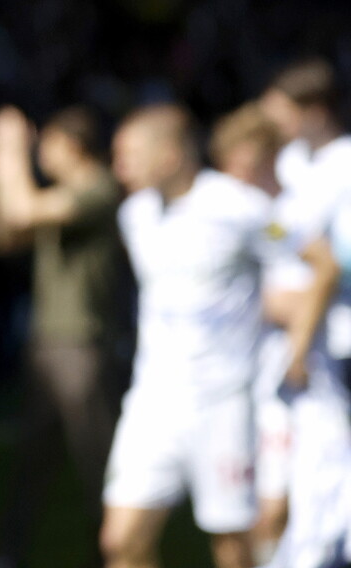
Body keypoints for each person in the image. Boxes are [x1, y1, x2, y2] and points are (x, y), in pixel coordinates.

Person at [99, 103, 270, 568]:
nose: (119, 167)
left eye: (130, 154)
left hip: (224, 403)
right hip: (153, 401)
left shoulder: (241, 206)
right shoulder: (135, 214)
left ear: (171, 155)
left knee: (233, 545)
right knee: (120, 541)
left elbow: (304, 260)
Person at [0, 104, 129, 568]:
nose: (40, 150)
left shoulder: (100, 188)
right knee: (33, 462)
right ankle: (8, 553)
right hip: (49, 344)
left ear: (71, 145)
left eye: (46, 142)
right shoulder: (61, 194)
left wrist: (9, 154)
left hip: (85, 345)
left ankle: (113, 551)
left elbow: (22, 212)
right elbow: (4, 236)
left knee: (99, 465)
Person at [209, 102, 350, 568]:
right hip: (252, 376)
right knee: (258, 511)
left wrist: (297, 343)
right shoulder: (239, 213)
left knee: (302, 509)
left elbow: (321, 276)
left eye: (238, 160)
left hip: (302, 376)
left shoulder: (287, 212)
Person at [260, 57, 351, 379]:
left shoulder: (345, 163)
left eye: (283, 116)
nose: (274, 128)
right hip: (282, 331)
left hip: (339, 337)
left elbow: (341, 259)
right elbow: (272, 228)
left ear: (315, 112)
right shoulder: (287, 161)